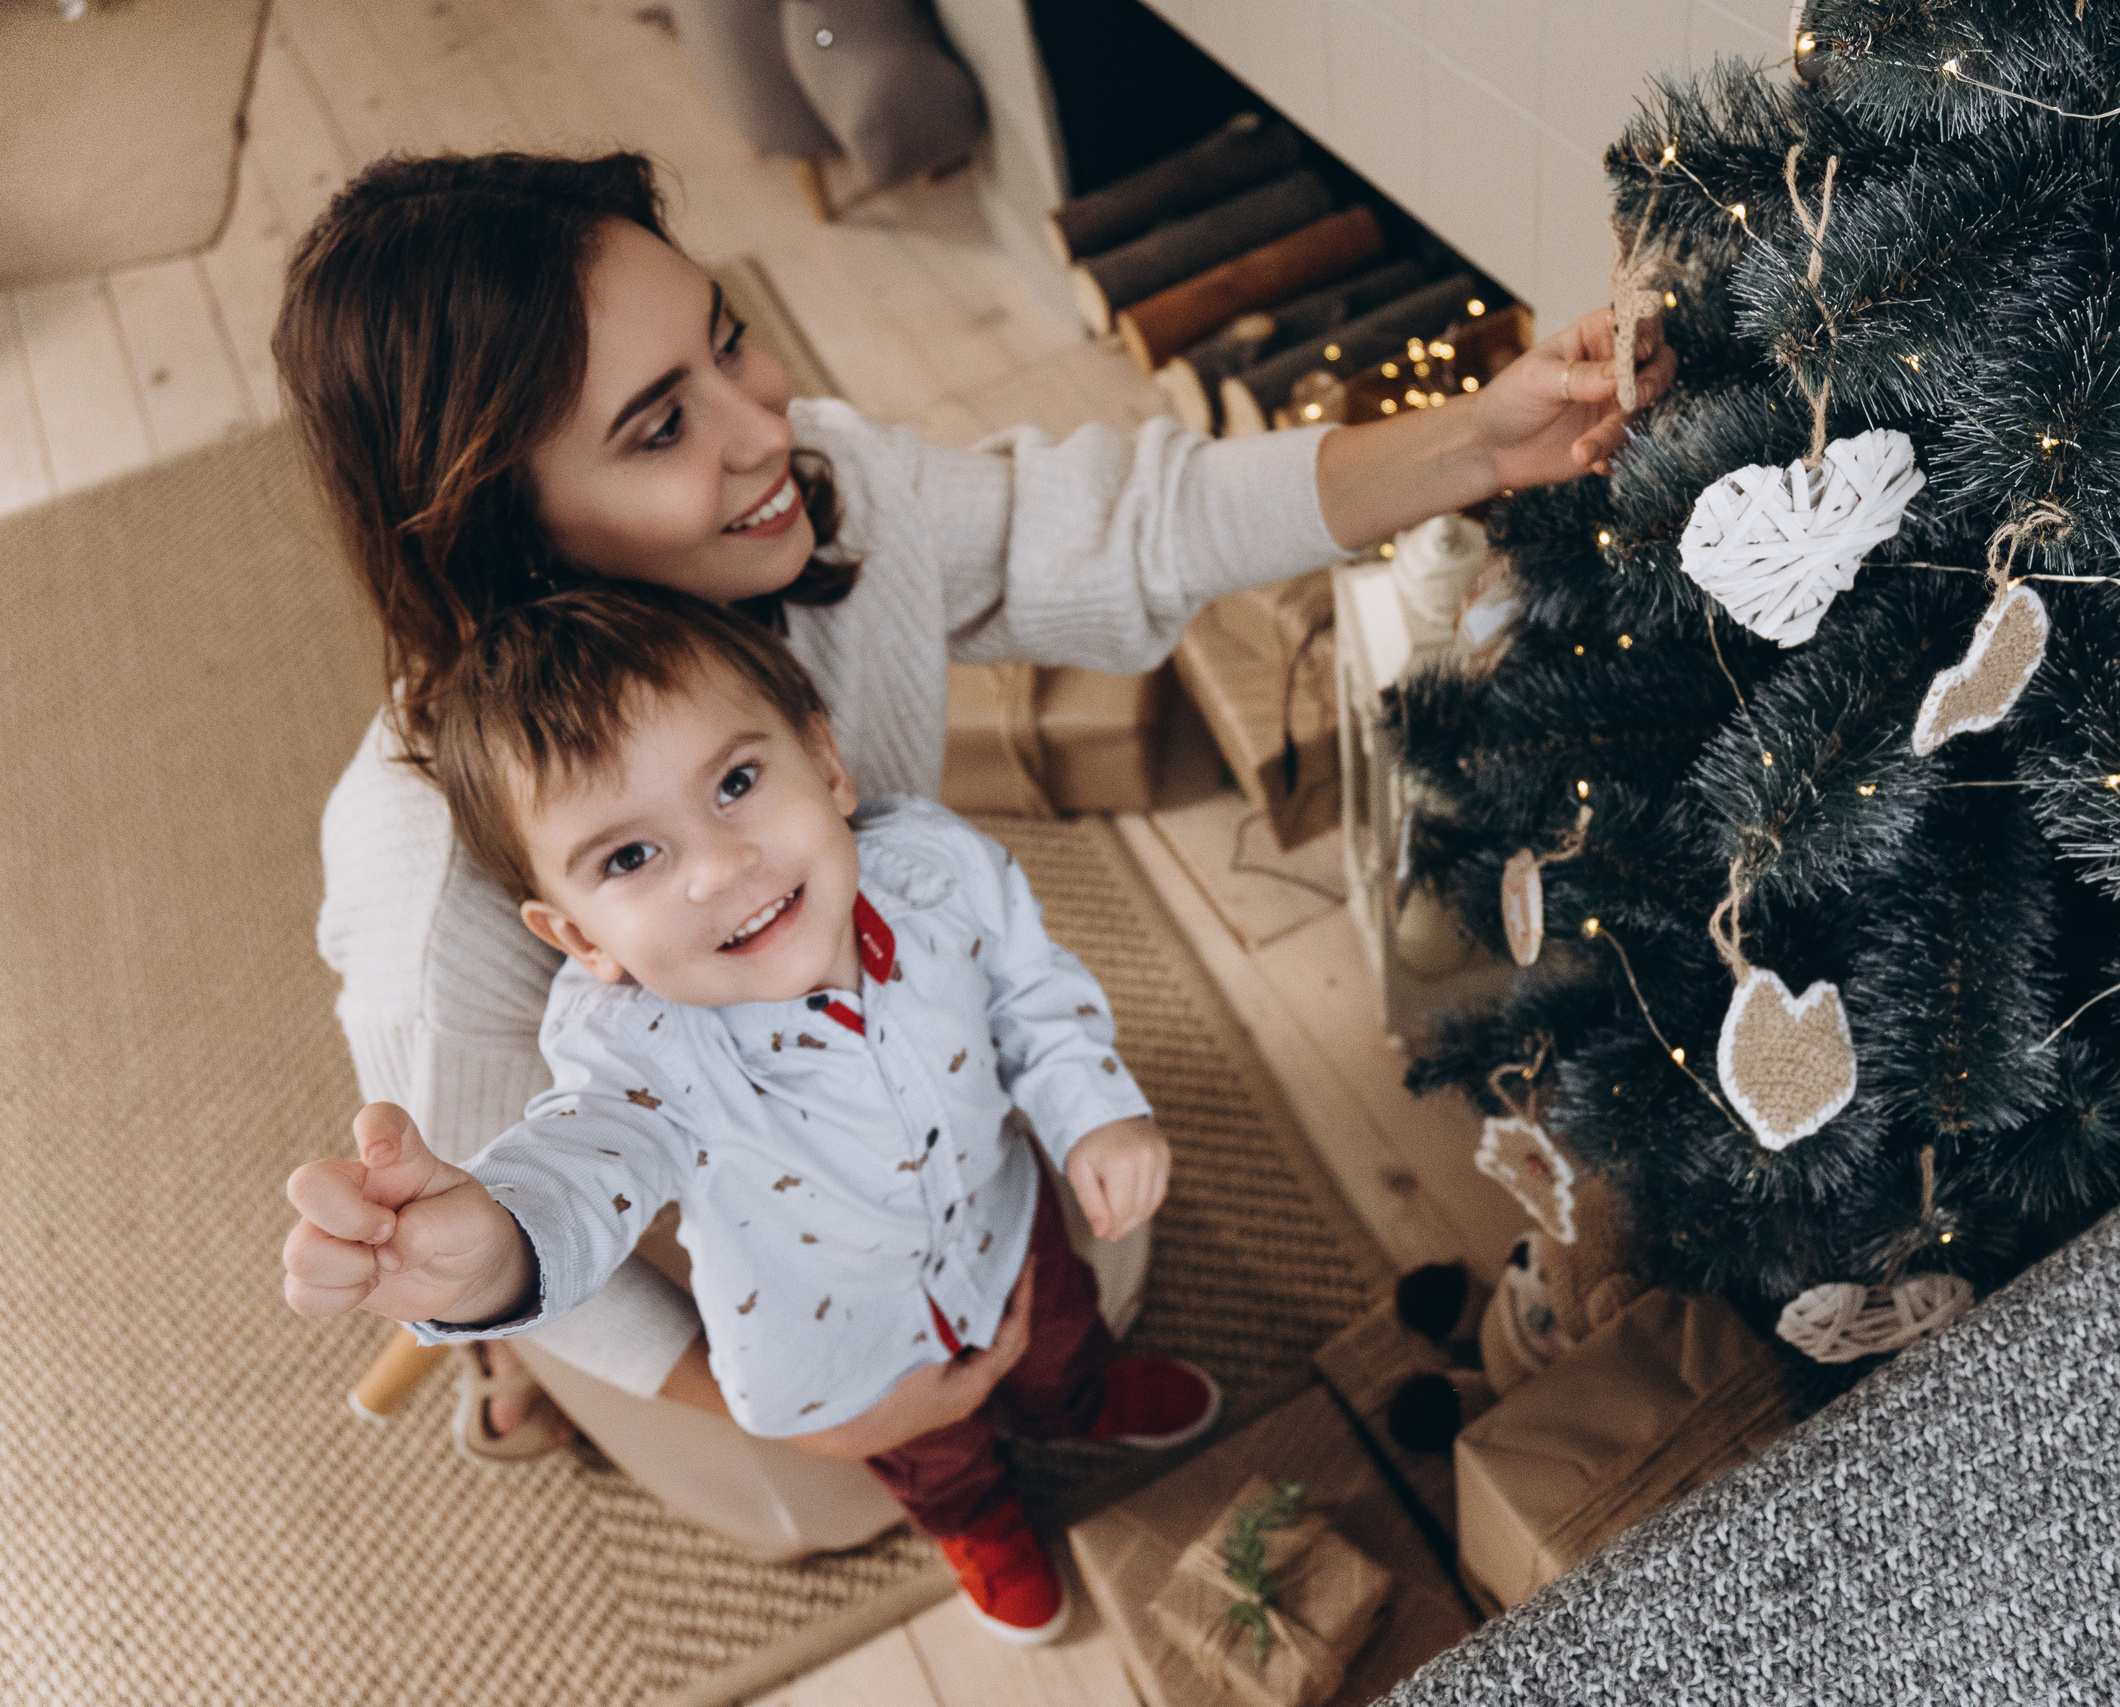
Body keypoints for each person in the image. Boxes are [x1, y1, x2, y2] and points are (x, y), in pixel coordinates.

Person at [280, 151, 1672, 1468]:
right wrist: (797, 1420)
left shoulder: (819, 493)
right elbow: (506, 1197)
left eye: (728, 338)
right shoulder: (425, 886)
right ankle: (516, 1387)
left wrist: (1478, 444)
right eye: (660, 427)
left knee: (1073, 1306)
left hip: (926, 1117)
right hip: (724, 1248)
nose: (767, 425)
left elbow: (1125, 521)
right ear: (501, 530)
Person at [283, 583, 1211, 1640]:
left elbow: (1034, 993)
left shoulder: (936, 870)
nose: (723, 866)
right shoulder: (631, 1044)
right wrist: (492, 1245)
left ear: (824, 763)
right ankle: (976, 1517)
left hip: (1004, 1220)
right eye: (630, 857)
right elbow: (585, 1162)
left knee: (1060, 1336)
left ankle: (1074, 1404)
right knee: (935, 1458)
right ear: (581, 938)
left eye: (735, 782)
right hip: (850, 1347)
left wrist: (1095, 1113)